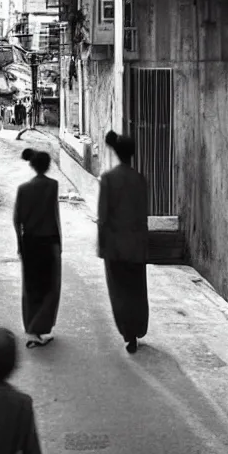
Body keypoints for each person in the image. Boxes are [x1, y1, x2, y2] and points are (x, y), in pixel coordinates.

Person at [97, 132, 149, 354]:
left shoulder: (109, 179)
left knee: (119, 291)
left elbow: (103, 216)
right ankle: (138, 329)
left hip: (115, 246)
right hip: (136, 245)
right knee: (136, 290)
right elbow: (143, 214)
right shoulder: (139, 179)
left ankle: (128, 333)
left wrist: (102, 245)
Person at [13, 149, 62, 348]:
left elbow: (17, 220)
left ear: (32, 165)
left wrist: (19, 244)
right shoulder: (53, 185)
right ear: (47, 165)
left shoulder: (23, 189)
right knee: (50, 286)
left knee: (31, 285)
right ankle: (39, 327)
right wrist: (60, 244)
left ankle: (32, 328)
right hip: (48, 241)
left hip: (29, 242)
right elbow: (55, 217)